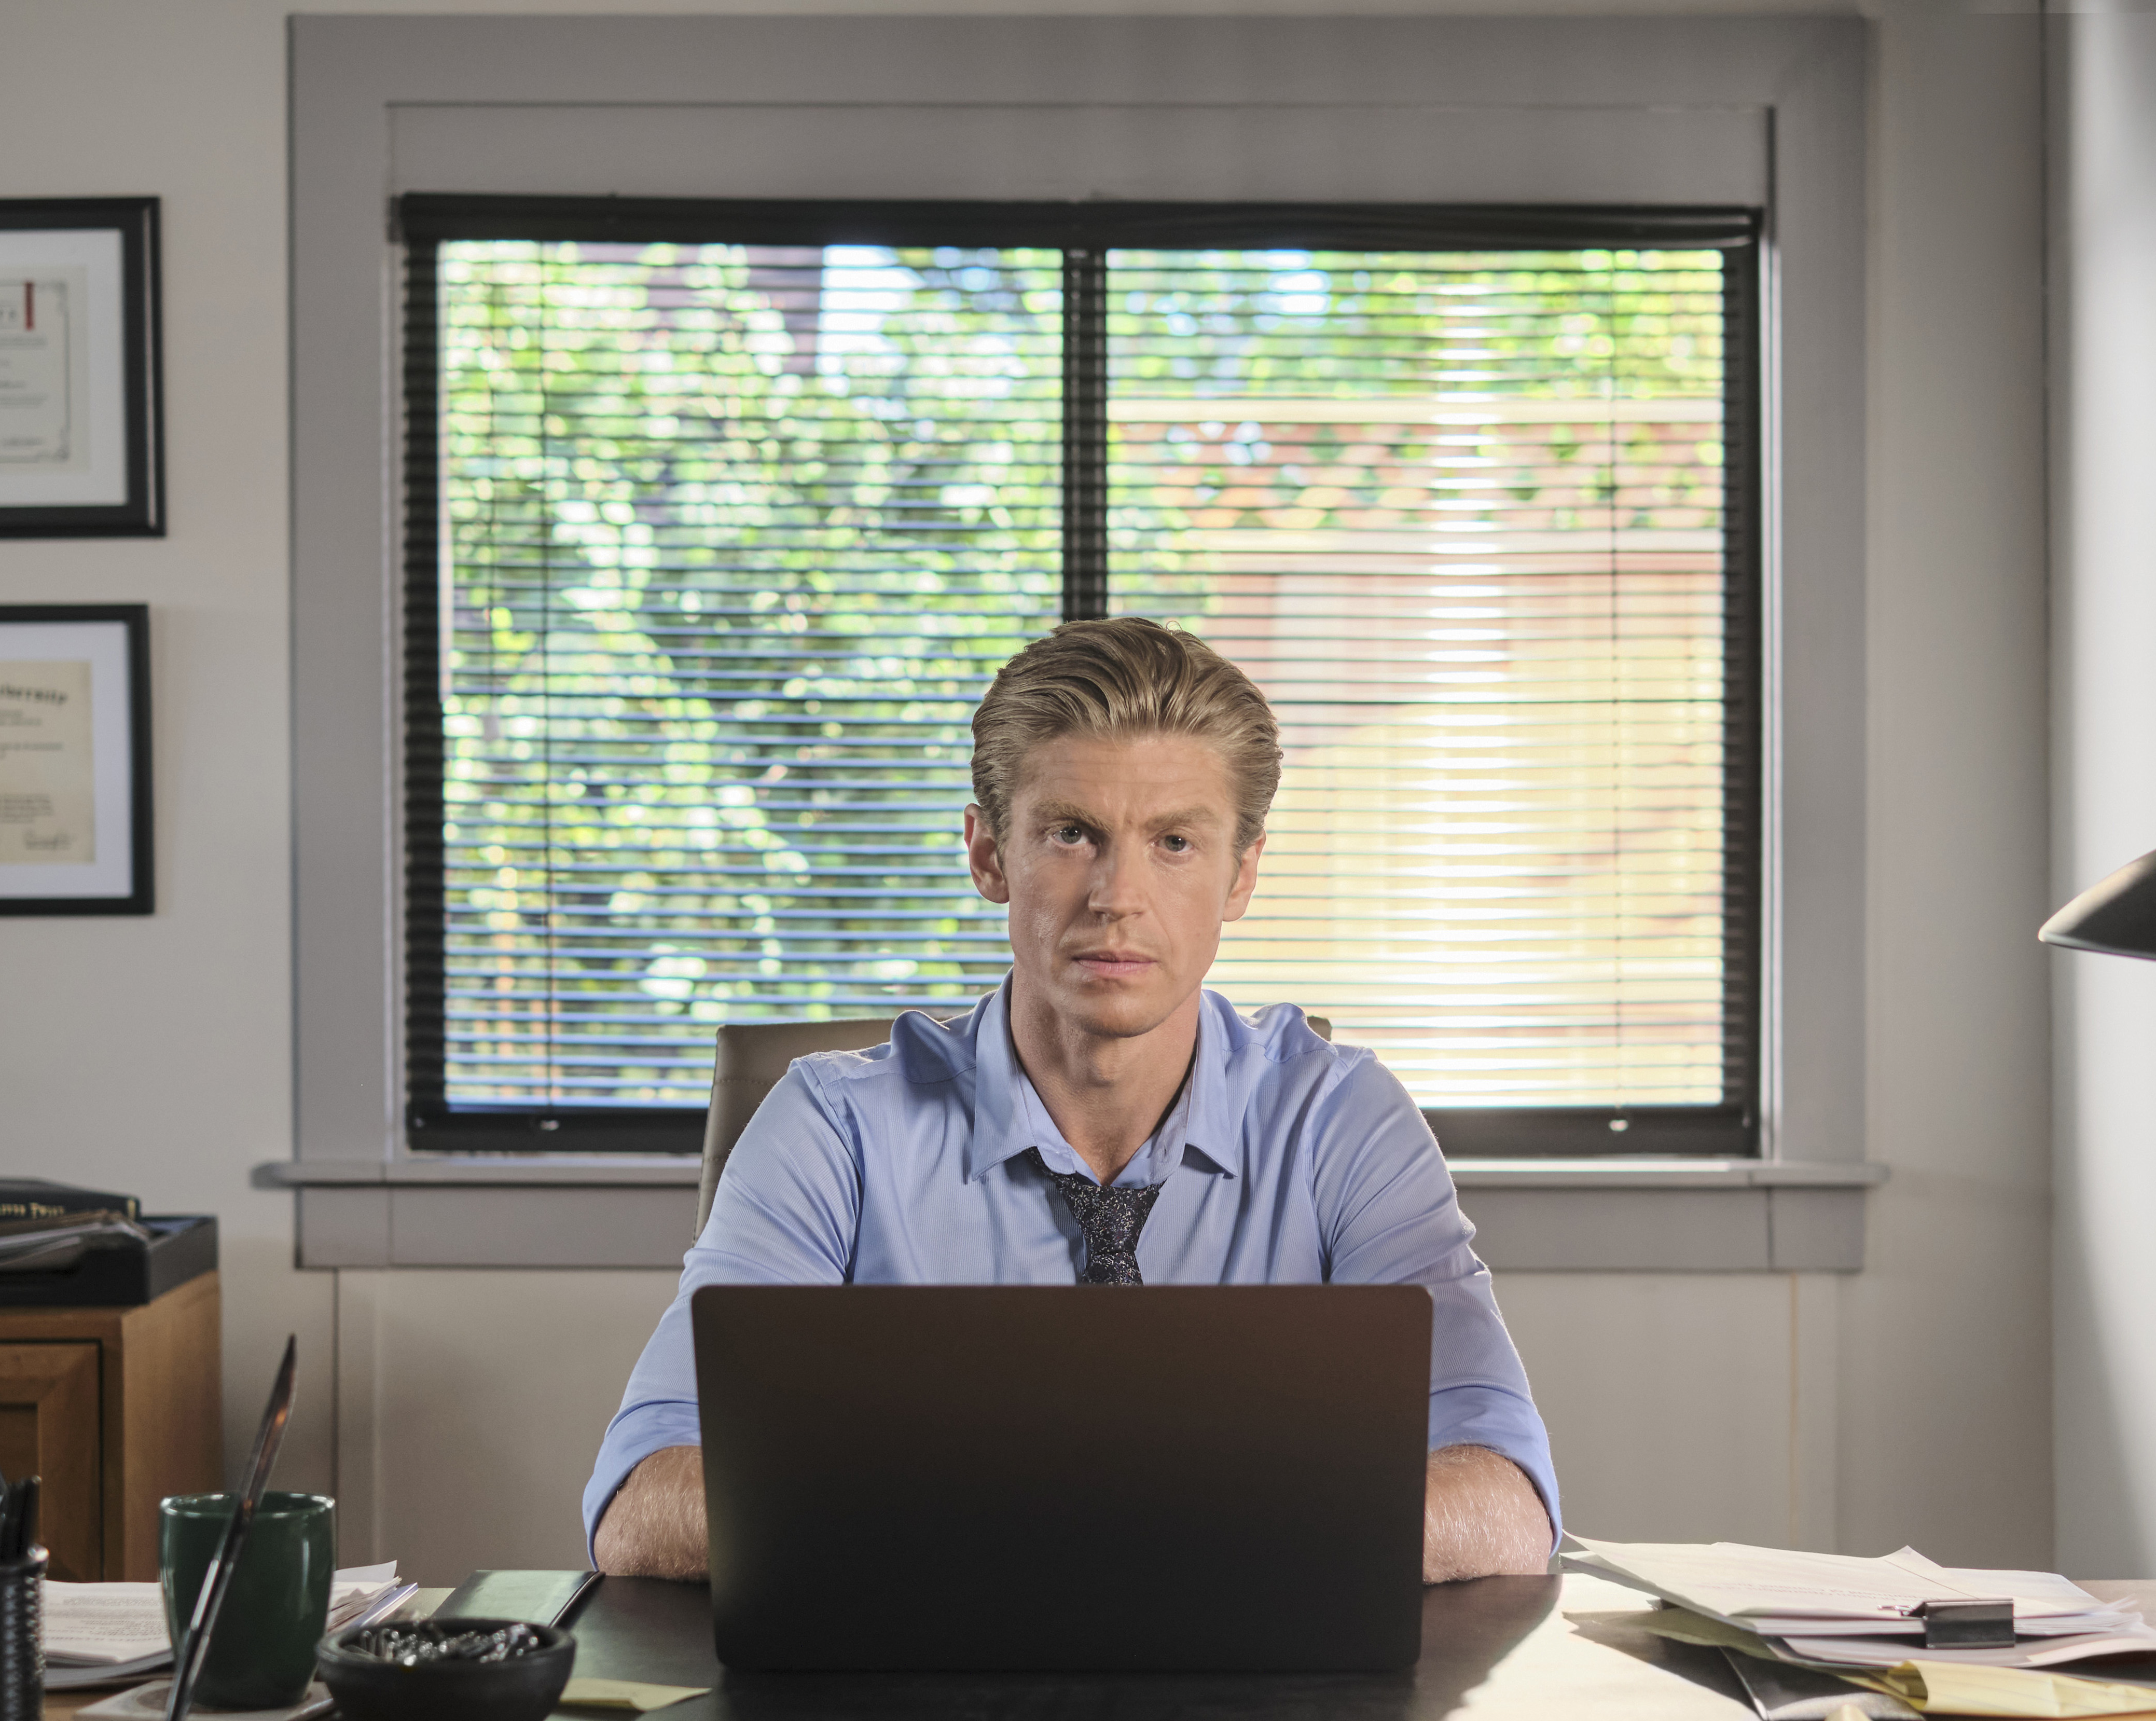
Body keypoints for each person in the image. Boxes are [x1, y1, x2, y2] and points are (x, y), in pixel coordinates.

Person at [585, 617, 1559, 1584]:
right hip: (910, 1704)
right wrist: (1150, 1529)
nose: (1117, 896)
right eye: (1071, 834)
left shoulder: (1340, 1122)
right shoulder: (833, 1130)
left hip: (1253, 1703)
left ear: (1242, 875)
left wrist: (1027, 1528)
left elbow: (1506, 1497)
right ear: (988, 856)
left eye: (1174, 841)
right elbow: (644, 1499)